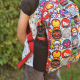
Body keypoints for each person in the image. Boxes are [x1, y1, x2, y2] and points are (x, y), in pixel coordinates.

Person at [17, 0, 60, 80]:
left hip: (33, 60)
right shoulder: (56, 1)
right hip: (54, 56)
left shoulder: (29, 2)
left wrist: (29, 47)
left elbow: (20, 35)